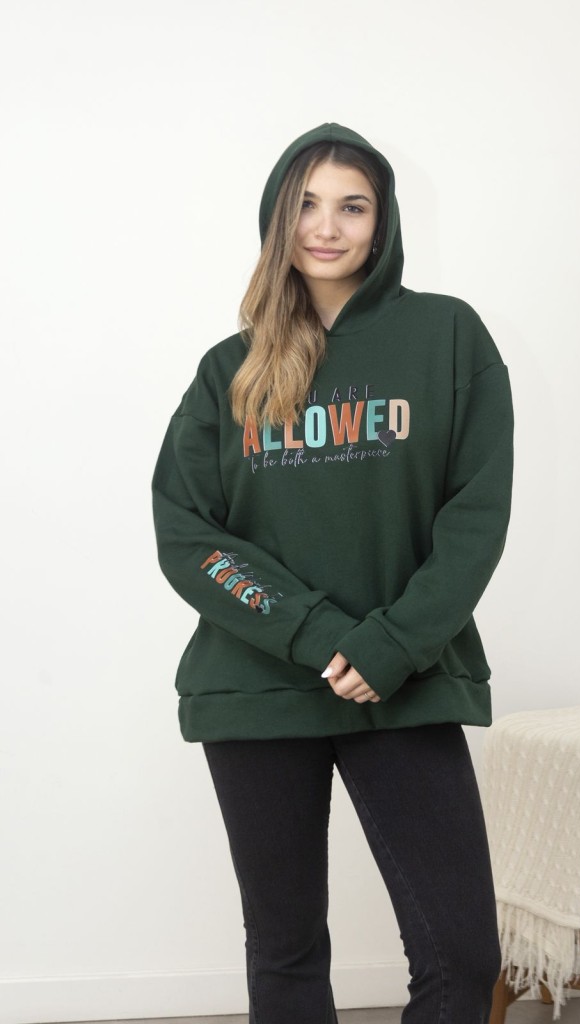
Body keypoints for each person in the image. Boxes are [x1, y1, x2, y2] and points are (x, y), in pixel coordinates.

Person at [152, 121, 514, 1024]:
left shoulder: (448, 336)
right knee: (285, 954)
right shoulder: (230, 371)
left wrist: (392, 643)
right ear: (279, 218)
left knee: (462, 953)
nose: (327, 226)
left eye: (352, 206)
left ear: (383, 221)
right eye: (307, 205)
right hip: (257, 689)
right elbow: (188, 535)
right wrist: (315, 632)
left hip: (404, 679)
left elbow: (474, 516)